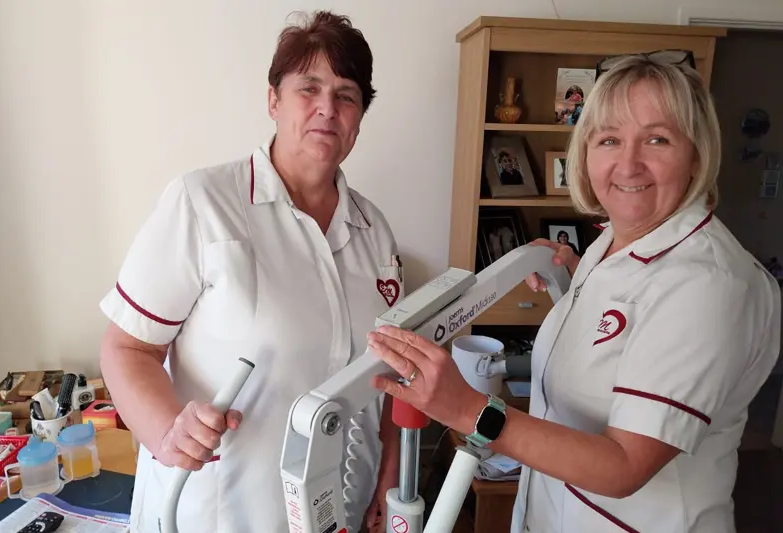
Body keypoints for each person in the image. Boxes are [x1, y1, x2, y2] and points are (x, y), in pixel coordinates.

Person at [367, 53, 781, 532]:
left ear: (696, 155)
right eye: (609, 139)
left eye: (657, 139)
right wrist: (579, 275)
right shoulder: (613, 244)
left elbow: (625, 466)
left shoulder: (709, 285)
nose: (629, 163)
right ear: (585, 153)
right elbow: (631, 322)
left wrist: (467, 409)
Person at [99, 11, 403, 533]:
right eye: (309, 87)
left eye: (346, 95)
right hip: (220, 513)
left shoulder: (374, 230)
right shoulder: (202, 203)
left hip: (340, 510)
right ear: (273, 100)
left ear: (359, 117)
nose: (328, 108)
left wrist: (387, 480)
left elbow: (391, 374)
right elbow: (126, 349)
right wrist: (170, 431)